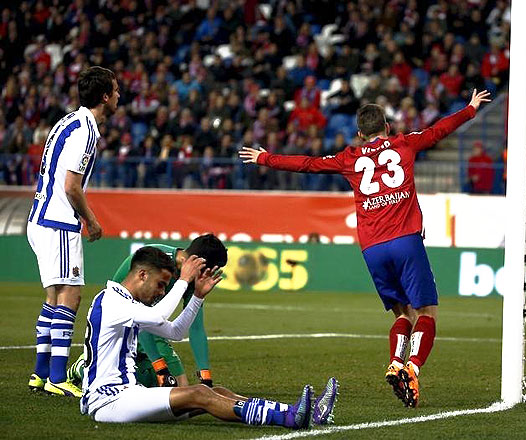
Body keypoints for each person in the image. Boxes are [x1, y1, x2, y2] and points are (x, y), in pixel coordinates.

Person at [240, 89, 491, 408]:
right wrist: (469, 109)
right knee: (426, 312)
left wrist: (265, 157)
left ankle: (396, 363)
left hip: (372, 247)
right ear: (387, 126)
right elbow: (438, 130)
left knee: (402, 312)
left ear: (360, 134)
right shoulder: (404, 143)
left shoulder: (349, 158)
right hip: (405, 240)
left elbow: (308, 164)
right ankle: (412, 368)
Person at [80, 246, 338, 426]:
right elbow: (160, 317)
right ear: (142, 274)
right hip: (109, 399)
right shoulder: (112, 301)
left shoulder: (123, 303)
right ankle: (288, 419)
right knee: (199, 395)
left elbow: (175, 332)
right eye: (160, 284)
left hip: (126, 395)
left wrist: (197, 296)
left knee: (213, 391)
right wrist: (183, 280)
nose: (161, 292)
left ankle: (299, 412)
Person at [27, 66, 120, 397]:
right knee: (71, 294)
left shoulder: (68, 122)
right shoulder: (87, 131)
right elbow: (71, 186)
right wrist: (91, 220)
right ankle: (56, 377)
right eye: (116, 91)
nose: (119, 97)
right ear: (105, 97)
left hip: (39, 218)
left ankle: (40, 374)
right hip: (58, 222)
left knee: (53, 297)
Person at [112, 234, 226, 388]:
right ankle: (82, 367)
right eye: (208, 271)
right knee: (168, 384)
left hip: (149, 324)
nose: (207, 276)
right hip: (120, 324)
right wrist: (160, 368)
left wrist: (205, 377)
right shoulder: (155, 263)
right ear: (198, 262)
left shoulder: (192, 277)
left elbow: (194, 327)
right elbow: (144, 319)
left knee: (178, 386)